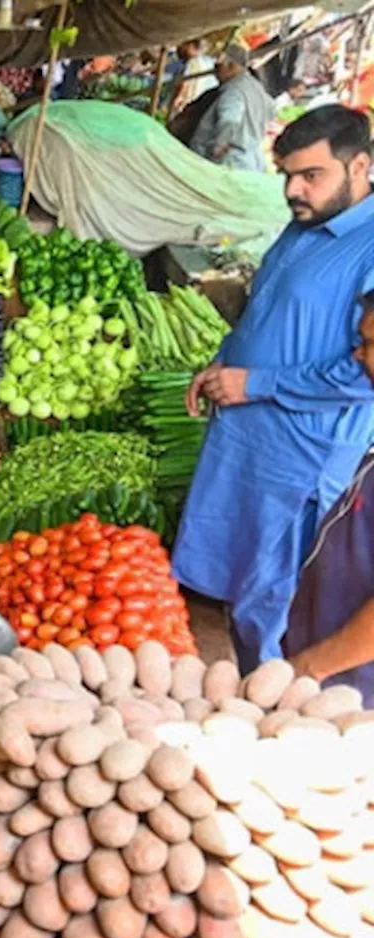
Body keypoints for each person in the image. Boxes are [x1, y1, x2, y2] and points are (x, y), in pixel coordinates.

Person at [173, 105, 374, 673]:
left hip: (298, 457)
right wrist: (222, 363)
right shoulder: (303, 223)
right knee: (239, 579)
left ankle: (266, 713)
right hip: (245, 439)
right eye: (286, 174)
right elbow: (267, 313)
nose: (293, 189)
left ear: (359, 166)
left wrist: (255, 382)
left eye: (311, 175)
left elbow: (361, 373)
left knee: (274, 597)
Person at [284, 299, 374, 702]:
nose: (358, 353)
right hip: (330, 670)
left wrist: (310, 667)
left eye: (370, 343)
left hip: (353, 692)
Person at [189, 44, 274, 171]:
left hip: (229, 162)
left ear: (231, 66)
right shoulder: (258, 89)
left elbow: (229, 119)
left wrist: (218, 148)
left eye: (218, 67)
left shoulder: (234, 91)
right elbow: (271, 112)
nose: (215, 72)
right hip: (250, 161)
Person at [171, 38, 218, 116]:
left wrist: (179, 97)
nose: (181, 47)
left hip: (185, 102)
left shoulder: (193, 62)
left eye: (184, 45)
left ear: (191, 46)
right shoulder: (209, 62)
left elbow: (185, 83)